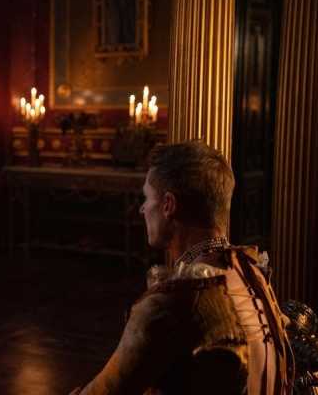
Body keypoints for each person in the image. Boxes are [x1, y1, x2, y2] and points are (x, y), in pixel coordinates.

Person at [72, 141, 293, 395]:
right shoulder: (252, 273)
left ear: (168, 205)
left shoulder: (174, 301)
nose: (143, 209)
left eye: (147, 198)